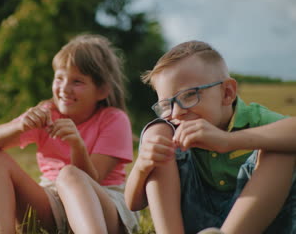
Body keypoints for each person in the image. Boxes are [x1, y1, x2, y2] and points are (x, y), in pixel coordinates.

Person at [124, 40, 296, 234]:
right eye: (166, 105)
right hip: (195, 222)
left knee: (280, 145)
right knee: (157, 134)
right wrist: (142, 166)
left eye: (189, 95)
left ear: (227, 93)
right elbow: (133, 203)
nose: (177, 112)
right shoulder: (172, 129)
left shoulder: (257, 119)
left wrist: (228, 141)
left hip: (259, 225)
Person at [0, 34, 139, 234]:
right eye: (60, 77)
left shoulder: (114, 120)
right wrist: (19, 127)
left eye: (77, 81)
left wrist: (77, 146)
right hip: (52, 201)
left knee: (69, 174)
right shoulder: (47, 113)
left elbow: (93, 179)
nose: (64, 88)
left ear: (102, 90)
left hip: (102, 206)